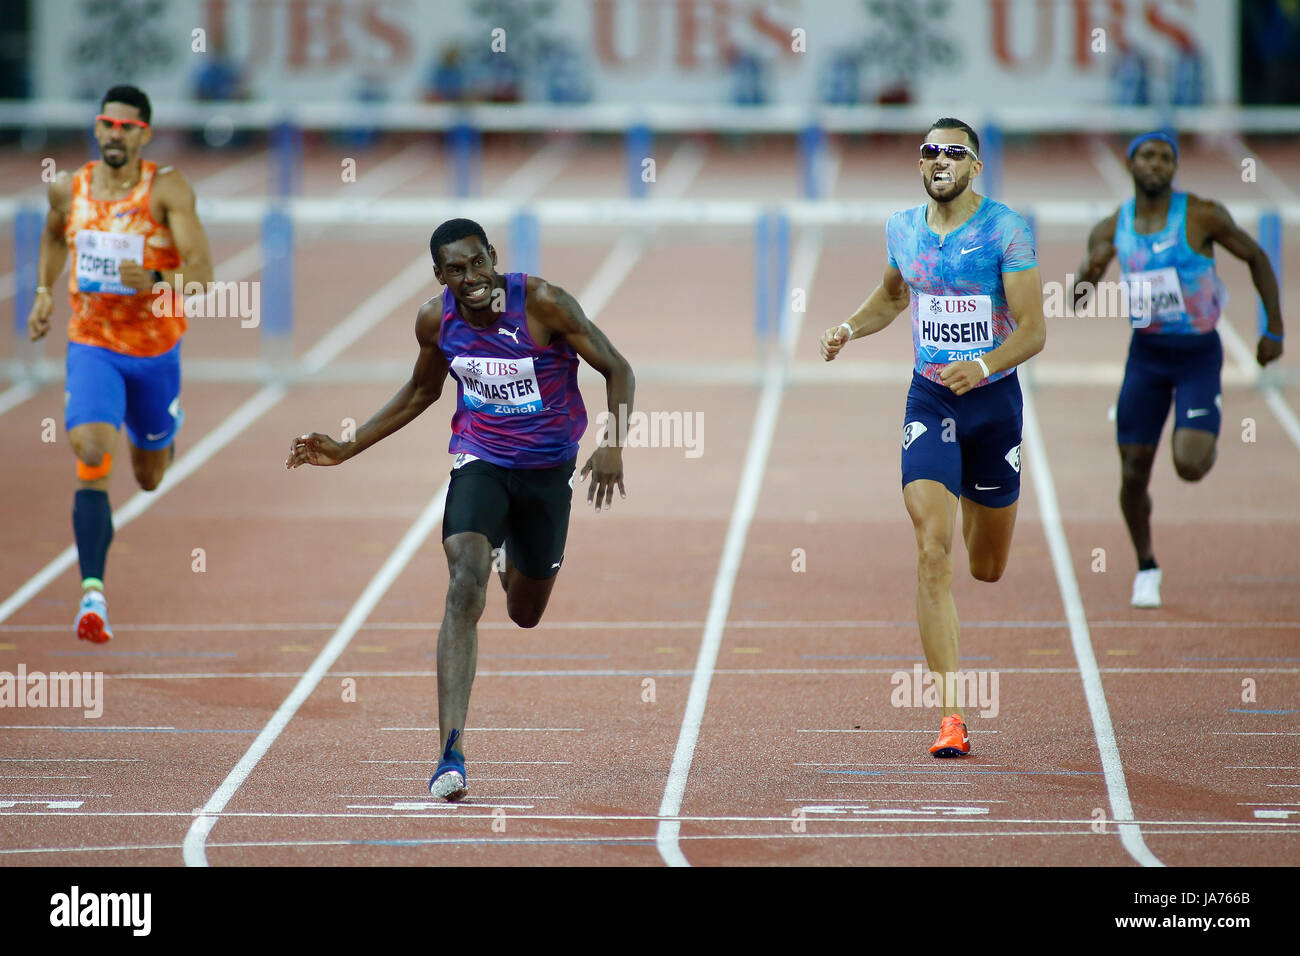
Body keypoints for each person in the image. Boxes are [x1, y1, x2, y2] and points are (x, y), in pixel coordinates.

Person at [286, 218, 635, 800]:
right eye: (455, 270)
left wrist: (614, 443)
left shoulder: (543, 304)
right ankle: (451, 752)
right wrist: (349, 446)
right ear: (439, 275)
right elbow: (422, 392)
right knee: (462, 584)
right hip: (481, 460)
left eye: (477, 263)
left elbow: (618, 370)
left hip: (548, 471)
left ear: (492, 256)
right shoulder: (435, 320)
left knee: (524, 612)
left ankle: (508, 554)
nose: (470, 279)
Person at [819, 118, 1045, 757]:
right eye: (928, 151)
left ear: (976, 166)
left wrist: (983, 365)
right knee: (930, 548)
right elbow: (894, 298)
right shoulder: (902, 230)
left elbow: (1033, 330)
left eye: (951, 152)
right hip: (931, 398)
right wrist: (848, 328)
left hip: (993, 403)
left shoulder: (1006, 230)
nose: (937, 160)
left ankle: (984, 500)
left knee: (987, 566)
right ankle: (951, 716)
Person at [27, 84, 214, 643]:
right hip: (93, 343)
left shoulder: (166, 189)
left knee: (149, 477)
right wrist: (43, 291)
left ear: (144, 134)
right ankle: (92, 594)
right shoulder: (68, 189)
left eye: (126, 127)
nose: (114, 133)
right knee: (89, 448)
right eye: (107, 124)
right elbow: (54, 238)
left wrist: (155, 279)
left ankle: (162, 434)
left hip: (155, 349)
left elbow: (202, 273)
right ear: (98, 127)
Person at [1073, 131, 1284, 608]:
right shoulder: (1111, 227)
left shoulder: (1202, 214)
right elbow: (1079, 301)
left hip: (1197, 356)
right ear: (1130, 164)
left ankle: (1200, 426)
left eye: (1166, 157)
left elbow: (1256, 257)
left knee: (1188, 464)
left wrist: (1274, 329)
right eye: (1147, 155)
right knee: (1131, 474)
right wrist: (1090, 269)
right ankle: (1146, 566)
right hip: (1146, 357)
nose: (1157, 164)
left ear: (1175, 168)